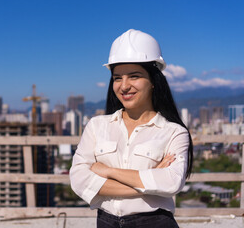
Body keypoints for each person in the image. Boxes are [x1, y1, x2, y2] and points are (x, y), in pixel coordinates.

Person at [69, 29, 193, 228]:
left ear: (153, 81)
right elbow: (78, 180)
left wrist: (107, 171)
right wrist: (149, 184)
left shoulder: (173, 132)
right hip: (106, 222)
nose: (124, 86)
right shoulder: (96, 126)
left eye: (134, 76)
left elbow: (171, 182)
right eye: (117, 78)